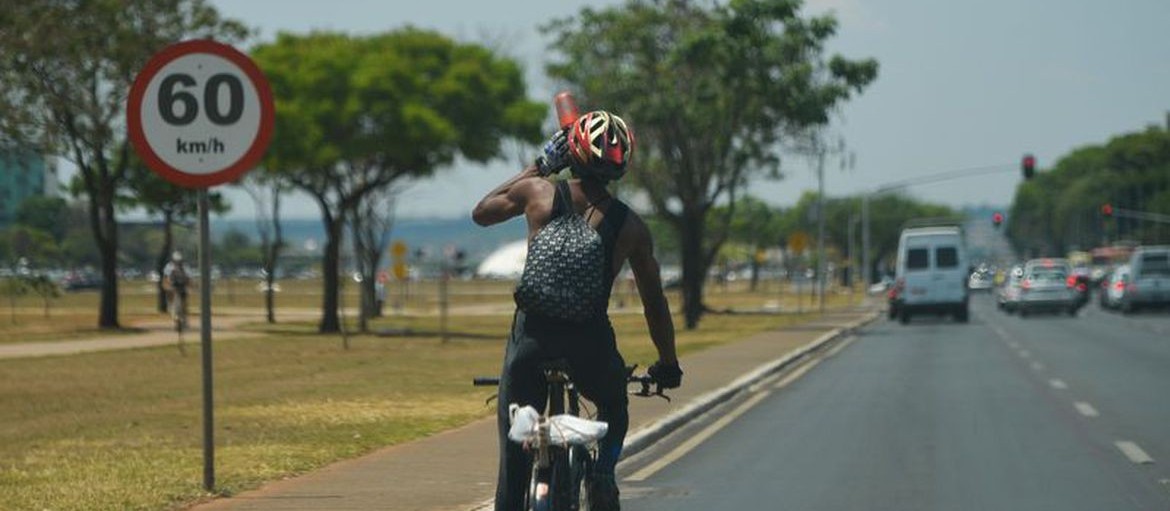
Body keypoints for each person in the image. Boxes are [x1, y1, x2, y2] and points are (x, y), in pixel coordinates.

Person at [472, 110, 682, 511]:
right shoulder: (631, 227)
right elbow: (654, 304)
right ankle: (603, 473)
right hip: (591, 345)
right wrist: (668, 363)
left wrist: (541, 165)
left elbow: (482, 213)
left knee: (513, 454)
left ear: (573, 151)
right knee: (614, 406)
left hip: (531, 342)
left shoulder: (537, 193)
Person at [162, 251, 190, 324]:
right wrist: (166, 285)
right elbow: (166, 278)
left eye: (179, 261)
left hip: (181, 286)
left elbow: (188, 278)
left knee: (184, 299)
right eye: (176, 261)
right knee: (170, 295)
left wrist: (189, 285)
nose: (178, 262)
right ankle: (171, 307)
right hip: (173, 286)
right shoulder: (169, 266)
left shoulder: (185, 267)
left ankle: (184, 314)